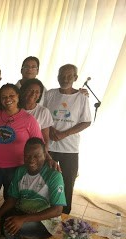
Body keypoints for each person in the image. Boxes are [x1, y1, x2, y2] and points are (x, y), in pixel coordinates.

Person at [0, 137, 66, 239]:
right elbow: (12, 199)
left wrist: (22, 219)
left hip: (46, 223)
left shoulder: (53, 175)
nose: (31, 160)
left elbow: (57, 210)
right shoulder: (21, 171)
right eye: (27, 156)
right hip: (23, 212)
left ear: (45, 154)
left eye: (36, 156)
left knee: (9, 226)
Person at [0, 83, 43, 213]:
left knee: (11, 202)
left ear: (18, 96)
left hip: (17, 169)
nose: (8, 99)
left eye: (11, 95)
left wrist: (37, 166)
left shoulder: (29, 120)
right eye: (4, 97)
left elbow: (38, 145)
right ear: (0, 100)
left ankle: (5, 228)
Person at [44, 64, 91, 214]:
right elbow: (42, 115)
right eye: (62, 75)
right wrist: (50, 129)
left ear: (75, 78)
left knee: (67, 183)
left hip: (70, 149)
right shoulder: (50, 94)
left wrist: (64, 134)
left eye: (69, 76)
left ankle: (64, 213)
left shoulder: (82, 97)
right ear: (57, 76)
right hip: (49, 147)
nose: (65, 78)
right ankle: (44, 211)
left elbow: (86, 121)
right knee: (46, 180)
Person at [19, 78, 54, 152]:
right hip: (15, 151)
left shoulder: (43, 111)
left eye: (37, 92)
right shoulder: (15, 109)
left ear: (40, 95)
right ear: (24, 91)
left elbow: (45, 139)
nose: (33, 94)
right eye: (30, 90)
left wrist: (44, 155)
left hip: (33, 154)